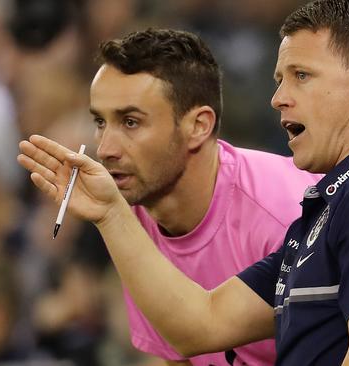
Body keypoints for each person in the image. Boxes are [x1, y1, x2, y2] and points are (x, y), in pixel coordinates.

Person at [18, 0, 349, 364]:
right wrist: (111, 213)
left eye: (301, 76)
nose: (278, 98)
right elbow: (201, 325)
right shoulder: (328, 211)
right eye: (279, 79)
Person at [26, 28, 320, 366]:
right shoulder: (135, 210)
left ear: (198, 126)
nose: (105, 149)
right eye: (100, 122)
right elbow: (175, 354)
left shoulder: (288, 215)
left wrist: (111, 216)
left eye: (131, 122)